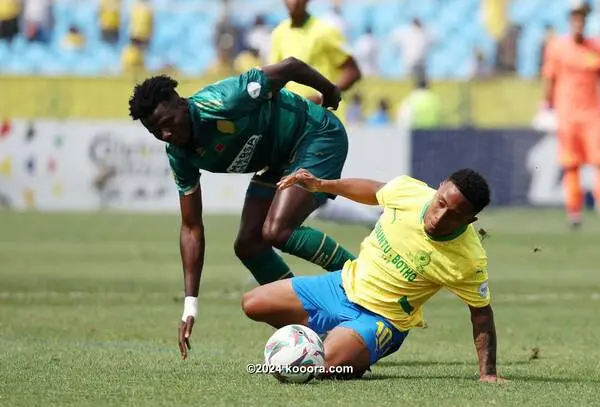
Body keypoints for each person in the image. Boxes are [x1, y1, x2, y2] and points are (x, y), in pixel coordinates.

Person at [128, 57, 356, 359]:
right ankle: (311, 319)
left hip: (316, 136)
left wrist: (329, 91)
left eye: (167, 124)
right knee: (249, 245)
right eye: (156, 132)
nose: (165, 135)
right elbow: (191, 227)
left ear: (179, 102)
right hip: (279, 163)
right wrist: (190, 306)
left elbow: (288, 67)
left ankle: (363, 278)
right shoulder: (179, 155)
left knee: (277, 230)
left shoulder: (226, 100)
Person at [242, 168, 504, 383]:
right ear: (439, 188)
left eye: (455, 215)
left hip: (382, 319)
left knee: (317, 367)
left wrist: (488, 373)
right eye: (441, 203)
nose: (440, 216)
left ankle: (351, 350)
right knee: (252, 304)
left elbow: (481, 313)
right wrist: (321, 184)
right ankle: (333, 339)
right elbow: (374, 191)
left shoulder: (468, 259)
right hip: (341, 286)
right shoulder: (409, 192)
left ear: (470, 221)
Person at [271, 0, 380, 229]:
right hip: (290, 123)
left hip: (318, 124)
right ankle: (374, 219)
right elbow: (277, 78)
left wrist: (322, 97)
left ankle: (371, 225)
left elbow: (353, 71)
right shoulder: (279, 33)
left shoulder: (324, 31)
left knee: (302, 197)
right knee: (302, 195)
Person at [541, 3, 600, 228]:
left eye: (582, 17)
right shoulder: (557, 47)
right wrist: (546, 105)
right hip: (567, 114)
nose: (578, 22)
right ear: (570, 19)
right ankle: (574, 212)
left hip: (593, 114)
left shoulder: (595, 47)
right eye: (575, 17)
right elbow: (549, 78)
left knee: (598, 162)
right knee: (571, 164)